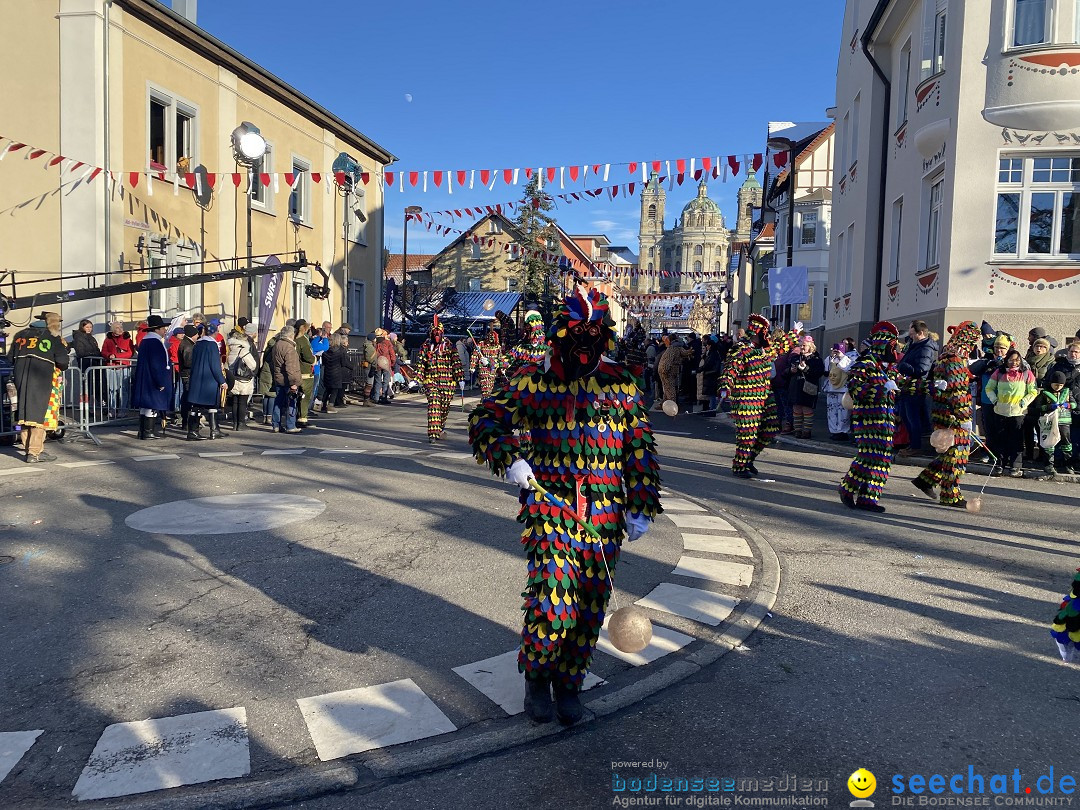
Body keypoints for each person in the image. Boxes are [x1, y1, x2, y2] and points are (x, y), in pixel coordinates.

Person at [468, 286, 661, 725]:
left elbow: (639, 448)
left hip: (606, 512)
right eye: (577, 333)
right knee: (554, 601)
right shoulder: (534, 380)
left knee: (591, 603)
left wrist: (641, 504)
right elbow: (485, 419)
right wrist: (509, 459)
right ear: (559, 335)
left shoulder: (621, 384)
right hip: (550, 505)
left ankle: (569, 683)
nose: (585, 343)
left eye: (595, 334)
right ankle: (537, 678)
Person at [716, 315, 801, 479]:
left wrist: (794, 333)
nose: (767, 334)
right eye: (765, 331)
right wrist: (725, 387)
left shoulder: (764, 349)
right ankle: (740, 466)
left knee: (771, 427)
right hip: (746, 398)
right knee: (747, 433)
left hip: (764, 396)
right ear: (757, 331)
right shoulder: (741, 349)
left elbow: (780, 346)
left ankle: (748, 459)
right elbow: (730, 370)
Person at [911, 321, 985, 508]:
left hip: (942, 412)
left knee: (949, 452)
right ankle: (950, 495)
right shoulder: (955, 359)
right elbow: (958, 391)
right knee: (957, 455)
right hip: (953, 417)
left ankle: (925, 480)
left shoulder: (945, 356)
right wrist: (965, 418)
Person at [838, 321, 906, 512]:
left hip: (886, 421)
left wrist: (933, 386)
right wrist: (881, 389)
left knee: (883, 460)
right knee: (868, 456)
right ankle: (847, 488)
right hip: (867, 420)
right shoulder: (864, 363)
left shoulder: (889, 368)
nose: (895, 348)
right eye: (892, 344)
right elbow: (855, 388)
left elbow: (906, 384)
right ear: (882, 344)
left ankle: (869, 498)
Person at [9, 311, 69, 462]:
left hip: (21, 377)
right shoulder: (53, 337)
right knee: (39, 415)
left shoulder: (19, 335)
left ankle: (29, 449)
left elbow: (10, 358)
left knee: (24, 414)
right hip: (42, 379)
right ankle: (35, 453)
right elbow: (63, 362)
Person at [985, 348, 1038, 477]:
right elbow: (989, 388)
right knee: (1001, 439)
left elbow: (1033, 391)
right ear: (1006, 360)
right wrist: (995, 400)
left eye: (1017, 360)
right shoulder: (999, 372)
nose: (1014, 362)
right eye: (1011, 360)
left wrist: (1023, 402)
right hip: (1000, 411)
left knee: (1017, 440)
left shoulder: (1026, 374)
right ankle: (1000, 464)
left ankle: (1015, 465)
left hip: (1018, 412)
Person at [413, 316, 463, 442]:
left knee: (444, 406)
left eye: (438, 333)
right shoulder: (425, 346)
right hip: (431, 381)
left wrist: (460, 378)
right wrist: (417, 379)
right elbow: (421, 363)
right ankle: (433, 434)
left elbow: (456, 362)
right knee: (434, 404)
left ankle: (440, 426)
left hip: (448, 382)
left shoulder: (450, 346)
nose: (436, 336)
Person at [895, 321, 938, 456]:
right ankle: (911, 444)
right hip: (907, 386)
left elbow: (922, 369)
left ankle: (916, 446)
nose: (911, 337)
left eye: (913, 334)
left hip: (917, 387)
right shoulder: (914, 345)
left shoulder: (925, 348)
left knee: (913, 418)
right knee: (905, 416)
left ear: (921, 333)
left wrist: (903, 366)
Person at [131, 315, 174, 440]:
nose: (164, 330)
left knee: (145, 406)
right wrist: (160, 382)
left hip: (146, 378)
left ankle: (143, 431)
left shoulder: (145, 341)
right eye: (162, 328)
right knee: (152, 404)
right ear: (156, 329)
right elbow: (157, 364)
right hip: (153, 379)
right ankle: (148, 432)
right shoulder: (155, 343)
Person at [185, 330, 227, 440]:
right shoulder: (212, 345)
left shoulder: (197, 344)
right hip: (209, 381)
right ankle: (194, 432)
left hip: (197, 378)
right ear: (215, 333)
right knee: (200, 406)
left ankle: (214, 430)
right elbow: (215, 365)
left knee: (207, 406)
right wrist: (222, 381)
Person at [1045, 341, 1080, 472]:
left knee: (1075, 436)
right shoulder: (1059, 366)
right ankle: (1059, 461)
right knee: (1060, 434)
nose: (1074, 354)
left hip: (1077, 405)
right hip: (1061, 406)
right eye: (1071, 351)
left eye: (1077, 352)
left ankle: (1074, 461)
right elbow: (1049, 381)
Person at [1030, 370, 1074, 475]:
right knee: (1049, 443)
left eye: (1060, 385)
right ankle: (1049, 464)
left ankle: (1069, 464)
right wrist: (1049, 407)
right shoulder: (1044, 393)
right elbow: (1038, 407)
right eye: (1055, 385)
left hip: (1064, 421)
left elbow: (1074, 404)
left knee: (1066, 443)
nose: (1058, 387)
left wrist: (1067, 405)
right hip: (1049, 421)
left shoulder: (1067, 392)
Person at [787, 335, 825, 439]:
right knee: (797, 410)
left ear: (810, 346)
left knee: (807, 410)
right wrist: (791, 371)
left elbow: (819, 372)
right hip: (795, 387)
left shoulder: (816, 359)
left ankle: (806, 432)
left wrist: (806, 369)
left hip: (809, 387)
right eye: (801, 345)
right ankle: (798, 431)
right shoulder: (795, 358)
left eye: (804, 345)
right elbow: (786, 371)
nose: (802, 347)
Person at [226, 323, 258, 430]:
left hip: (233, 378)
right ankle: (241, 423)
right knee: (242, 402)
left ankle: (235, 423)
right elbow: (253, 365)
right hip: (243, 379)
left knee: (235, 401)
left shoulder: (231, 351)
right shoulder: (243, 350)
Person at [270, 324, 302, 434]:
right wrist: (293, 382)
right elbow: (291, 367)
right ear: (291, 335)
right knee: (291, 403)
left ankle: (276, 425)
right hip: (288, 380)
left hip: (278, 377)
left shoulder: (277, 344)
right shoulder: (289, 348)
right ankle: (290, 425)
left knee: (278, 402)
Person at [101, 321, 136, 416]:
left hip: (123, 366)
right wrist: (109, 355)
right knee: (112, 390)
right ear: (113, 330)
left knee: (123, 389)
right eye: (117, 327)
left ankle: (123, 410)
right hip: (111, 367)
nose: (120, 329)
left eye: (121, 327)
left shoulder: (127, 339)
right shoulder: (108, 339)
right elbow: (103, 351)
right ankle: (112, 409)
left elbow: (130, 353)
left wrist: (116, 355)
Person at [822, 342, 855, 440]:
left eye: (838, 350)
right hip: (831, 389)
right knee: (832, 411)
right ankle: (834, 431)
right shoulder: (829, 359)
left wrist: (841, 357)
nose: (836, 352)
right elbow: (826, 370)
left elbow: (848, 369)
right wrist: (831, 358)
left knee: (843, 412)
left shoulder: (849, 359)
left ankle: (843, 431)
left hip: (843, 389)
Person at [319, 334, 354, 413]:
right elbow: (343, 363)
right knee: (335, 390)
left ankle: (323, 405)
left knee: (327, 390)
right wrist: (352, 366)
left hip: (327, 372)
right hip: (336, 372)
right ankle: (330, 406)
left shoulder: (326, 352)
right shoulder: (340, 352)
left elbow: (324, 363)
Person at [471, 324, 507, 399]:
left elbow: (500, 358)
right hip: (484, 368)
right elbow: (475, 354)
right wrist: (472, 366)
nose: (491, 339)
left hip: (493, 368)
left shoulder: (497, 347)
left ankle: (486, 400)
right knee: (485, 386)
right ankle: (485, 400)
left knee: (490, 386)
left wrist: (502, 367)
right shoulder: (481, 344)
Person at [656, 334, 692, 406]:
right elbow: (684, 353)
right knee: (668, 388)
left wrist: (664, 370)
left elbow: (668, 360)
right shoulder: (678, 347)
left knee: (669, 388)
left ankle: (670, 405)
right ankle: (666, 404)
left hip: (668, 371)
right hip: (672, 370)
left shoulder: (672, 348)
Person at [294, 320, 317, 428]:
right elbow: (308, 356)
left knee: (296, 396)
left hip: (295, 370)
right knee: (305, 396)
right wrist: (315, 359)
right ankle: (302, 418)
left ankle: (295, 416)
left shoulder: (294, 339)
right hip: (305, 371)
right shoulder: (302, 340)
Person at [371, 328, 395, 405]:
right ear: (382, 334)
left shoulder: (374, 343)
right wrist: (392, 363)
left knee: (377, 381)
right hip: (386, 363)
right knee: (385, 381)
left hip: (377, 363)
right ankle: (384, 397)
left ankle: (376, 398)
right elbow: (392, 354)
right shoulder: (387, 343)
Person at [309, 324, 329, 416]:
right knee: (313, 389)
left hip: (317, 367)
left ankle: (310, 406)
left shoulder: (317, 341)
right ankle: (308, 408)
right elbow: (325, 347)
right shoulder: (314, 342)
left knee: (315, 388)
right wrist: (324, 338)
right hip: (313, 368)